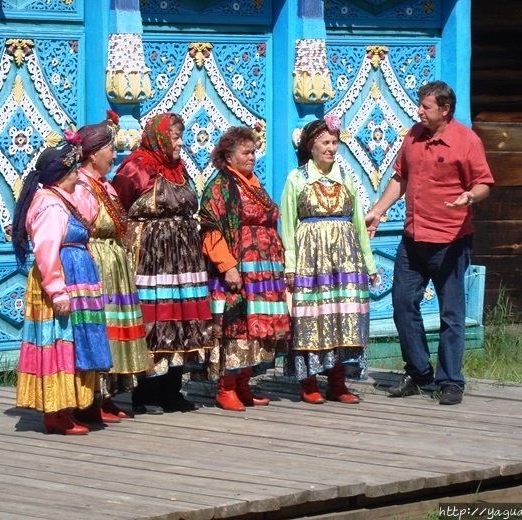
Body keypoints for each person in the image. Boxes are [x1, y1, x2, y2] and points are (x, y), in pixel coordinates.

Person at [365, 80, 494, 406]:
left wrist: (470, 196)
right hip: (413, 238)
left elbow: (484, 184)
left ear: (445, 109)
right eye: (419, 105)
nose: (419, 111)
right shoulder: (413, 136)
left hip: (451, 241)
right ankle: (420, 372)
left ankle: (450, 380)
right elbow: (400, 178)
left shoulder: (466, 141)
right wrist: (378, 211)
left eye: (426, 106)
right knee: (402, 304)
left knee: (452, 314)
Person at [12, 133, 112, 435]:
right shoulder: (50, 206)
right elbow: (46, 250)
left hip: (76, 280)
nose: (75, 176)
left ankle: (74, 405)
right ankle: (57, 412)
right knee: (59, 342)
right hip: (59, 284)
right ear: (60, 176)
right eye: (71, 172)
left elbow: (90, 210)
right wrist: (57, 291)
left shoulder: (62, 199)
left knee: (74, 342)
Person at [113, 112, 213, 414]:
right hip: (151, 259)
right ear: (158, 137)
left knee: (181, 320)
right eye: (175, 137)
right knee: (154, 319)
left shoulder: (178, 170)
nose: (181, 143)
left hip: (183, 259)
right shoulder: (135, 168)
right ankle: (144, 392)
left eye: (181, 137)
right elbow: (119, 209)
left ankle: (171, 390)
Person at [280, 114, 378, 405]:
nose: (331, 148)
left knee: (342, 319)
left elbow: (359, 223)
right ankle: (308, 382)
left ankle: (338, 382)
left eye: (335, 142)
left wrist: (369, 265)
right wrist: (290, 266)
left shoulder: (346, 177)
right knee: (312, 319)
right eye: (325, 142)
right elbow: (287, 224)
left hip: (345, 261)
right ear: (311, 146)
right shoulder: (297, 178)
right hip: (311, 261)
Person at [199, 126, 290, 412]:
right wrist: (227, 266)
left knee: (257, 328)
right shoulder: (220, 186)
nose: (252, 157)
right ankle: (225, 388)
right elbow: (211, 230)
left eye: (254, 151)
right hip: (239, 267)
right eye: (246, 152)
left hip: (263, 269)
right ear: (228, 155)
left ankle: (244, 384)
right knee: (235, 326)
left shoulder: (253, 182)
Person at [75, 112, 151, 422]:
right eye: (110, 148)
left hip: (114, 260)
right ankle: (94, 397)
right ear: (93, 154)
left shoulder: (104, 185)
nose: (114, 154)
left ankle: (109, 395)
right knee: (101, 327)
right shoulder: (81, 186)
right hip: (97, 260)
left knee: (116, 326)